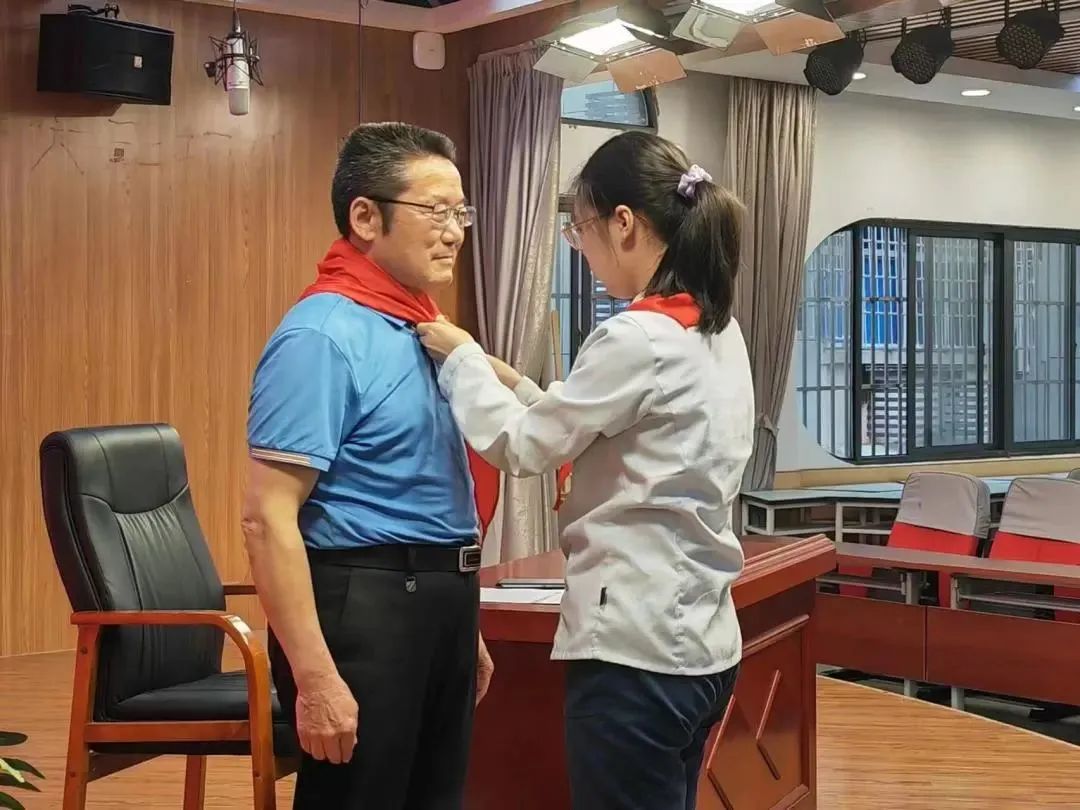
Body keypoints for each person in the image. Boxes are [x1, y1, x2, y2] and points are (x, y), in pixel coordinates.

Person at [417, 130, 753, 810]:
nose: (584, 250)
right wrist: (508, 377)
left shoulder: (636, 336)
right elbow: (601, 422)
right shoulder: (714, 329)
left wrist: (461, 361)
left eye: (581, 231)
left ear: (624, 223)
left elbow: (523, 445)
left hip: (635, 650)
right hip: (702, 641)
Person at [241, 122, 496, 810]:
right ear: (365, 217)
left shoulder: (421, 327)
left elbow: (428, 486)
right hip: (367, 605)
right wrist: (315, 678)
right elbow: (267, 518)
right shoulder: (322, 334)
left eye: (461, 213)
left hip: (439, 597)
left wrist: (459, 618)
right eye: (436, 211)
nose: (454, 232)